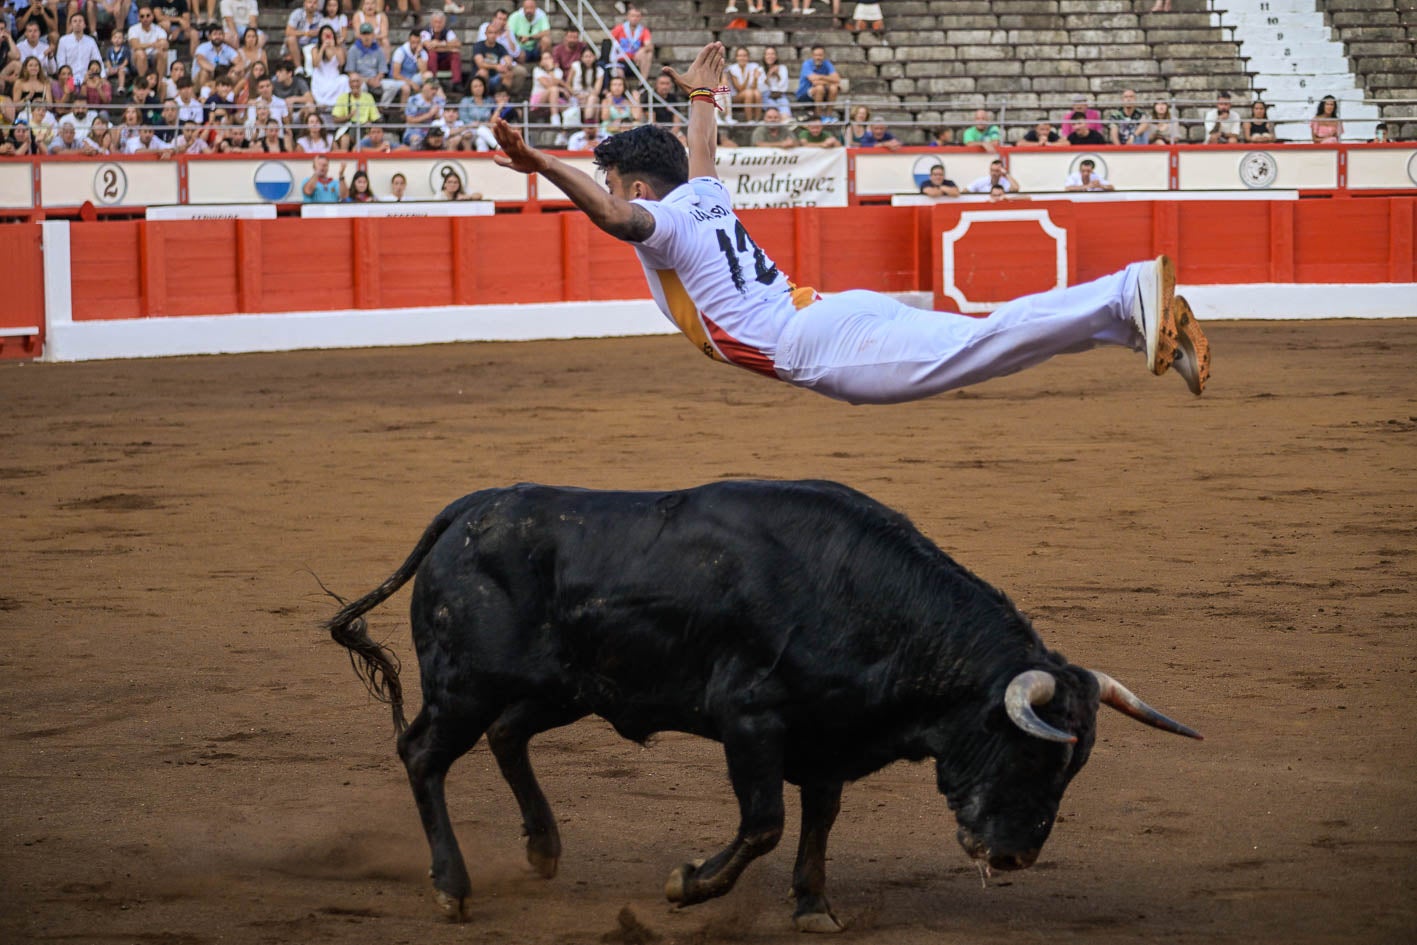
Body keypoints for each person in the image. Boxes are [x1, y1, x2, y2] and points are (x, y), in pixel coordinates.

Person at [489, 41, 1211, 405]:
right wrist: (703, 94)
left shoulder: (663, 223)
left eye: (617, 179)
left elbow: (613, 215)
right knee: (983, 343)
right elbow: (701, 148)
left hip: (812, 343)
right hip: (830, 313)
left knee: (981, 346)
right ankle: (1130, 320)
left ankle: (1126, 294)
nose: (613, 192)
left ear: (641, 185)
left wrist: (542, 163)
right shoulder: (700, 195)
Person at [609, 5, 652, 79]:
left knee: (648, 53)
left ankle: (642, 84)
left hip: (636, 61)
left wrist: (642, 50)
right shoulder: (619, 28)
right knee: (618, 71)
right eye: (632, 16)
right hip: (621, 60)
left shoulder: (644, 30)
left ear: (641, 18)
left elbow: (649, 46)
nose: (635, 18)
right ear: (628, 17)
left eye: (637, 16)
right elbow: (608, 41)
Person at [795, 44, 838, 117]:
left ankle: (828, 116)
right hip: (804, 94)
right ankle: (818, 116)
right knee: (819, 88)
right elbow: (814, 81)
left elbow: (837, 79)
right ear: (812, 55)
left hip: (821, 93)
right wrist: (829, 80)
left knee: (834, 88)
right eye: (816, 55)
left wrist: (820, 77)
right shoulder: (807, 64)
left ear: (824, 55)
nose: (818, 57)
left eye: (820, 55)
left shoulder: (827, 64)